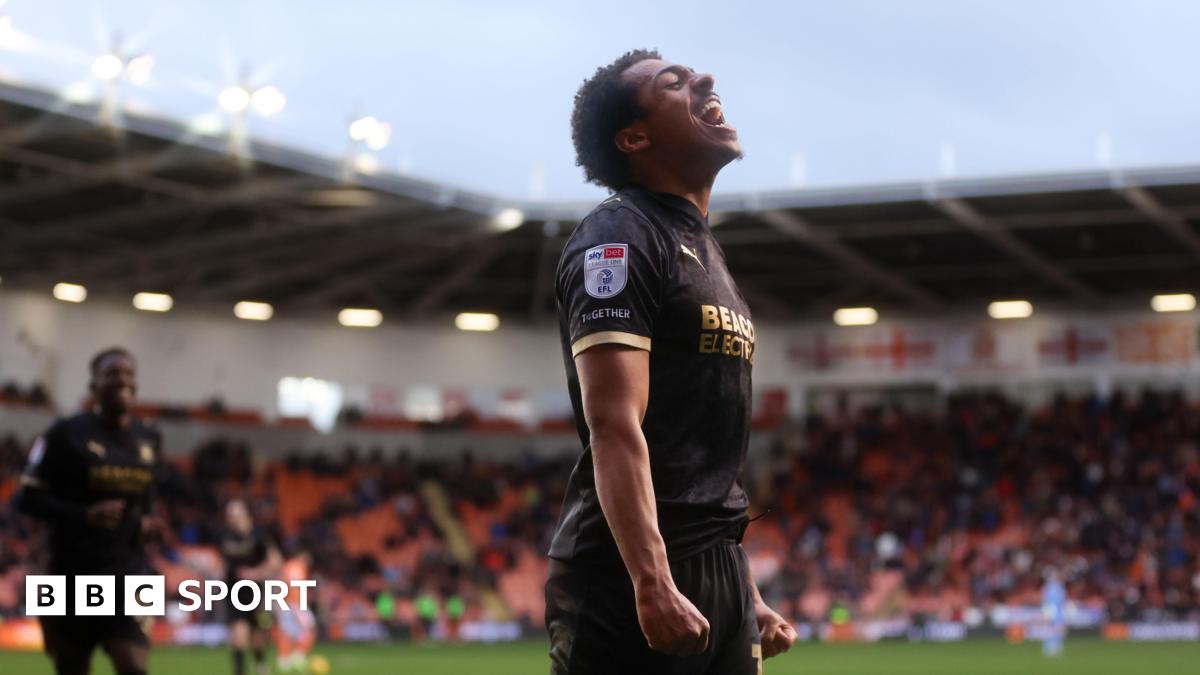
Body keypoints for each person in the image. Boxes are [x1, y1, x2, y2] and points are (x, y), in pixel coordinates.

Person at [544, 50, 796, 674]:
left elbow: (700, 453)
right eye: (673, 83)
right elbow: (614, 423)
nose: (704, 79)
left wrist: (744, 590)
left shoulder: (704, 249)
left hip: (718, 565)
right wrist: (652, 579)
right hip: (627, 574)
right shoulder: (619, 237)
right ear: (635, 138)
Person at [17, 347, 163, 675]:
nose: (122, 379)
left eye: (128, 373)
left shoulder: (149, 438)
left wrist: (149, 519)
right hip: (68, 572)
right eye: (112, 373)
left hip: (130, 572)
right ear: (93, 386)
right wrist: (83, 514)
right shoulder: (64, 433)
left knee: (134, 666)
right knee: (71, 668)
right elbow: (27, 499)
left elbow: (145, 497)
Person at [220, 499, 282, 675]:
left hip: (256, 590)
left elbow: (276, 561)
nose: (232, 519)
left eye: (235, 515)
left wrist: (254, 573)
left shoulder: (259, 535)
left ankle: (260, 665)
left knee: (257, 636)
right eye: (229, 516)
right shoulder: (225, 537)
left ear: (246, 515)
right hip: (234, 591)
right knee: (238, 635)